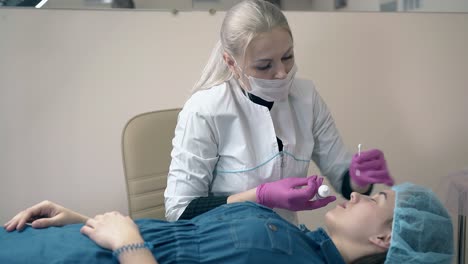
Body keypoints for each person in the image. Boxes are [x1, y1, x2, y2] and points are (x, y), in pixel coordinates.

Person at [164, 0, 395, 223]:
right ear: (231, 62)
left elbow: (343, 180)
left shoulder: (307, 98)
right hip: (224, 244)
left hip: (285, 240)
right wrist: (259, 197)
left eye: (288, 57)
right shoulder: (205, 110)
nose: (282, 73)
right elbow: (179, 211)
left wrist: (359, 179)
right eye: (265, 65)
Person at [1, 182, 454, 264]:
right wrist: (85, 219)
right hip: (78, 240)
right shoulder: (303, 240)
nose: (355, 193)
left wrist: (126, 244)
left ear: (384, 238)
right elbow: (185, 236)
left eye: (377, 198)